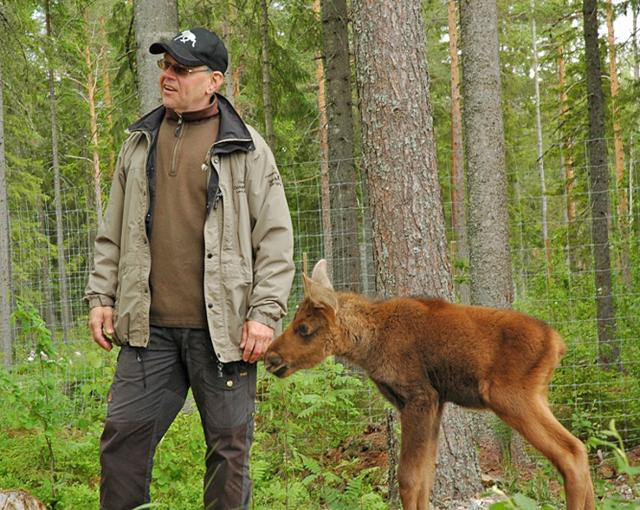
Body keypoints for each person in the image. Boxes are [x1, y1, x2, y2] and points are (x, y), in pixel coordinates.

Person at [84, 27, 294, 510]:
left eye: (180, 68)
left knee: (228, 451)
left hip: (223, 333)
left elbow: (276, 239)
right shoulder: (139, 142)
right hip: (147, 330)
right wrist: (102, 297)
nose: (168, 76)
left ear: (213, 80)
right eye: (165, 65)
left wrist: (264, 313)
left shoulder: (248, 149)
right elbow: (113, 228)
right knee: (123, 441)